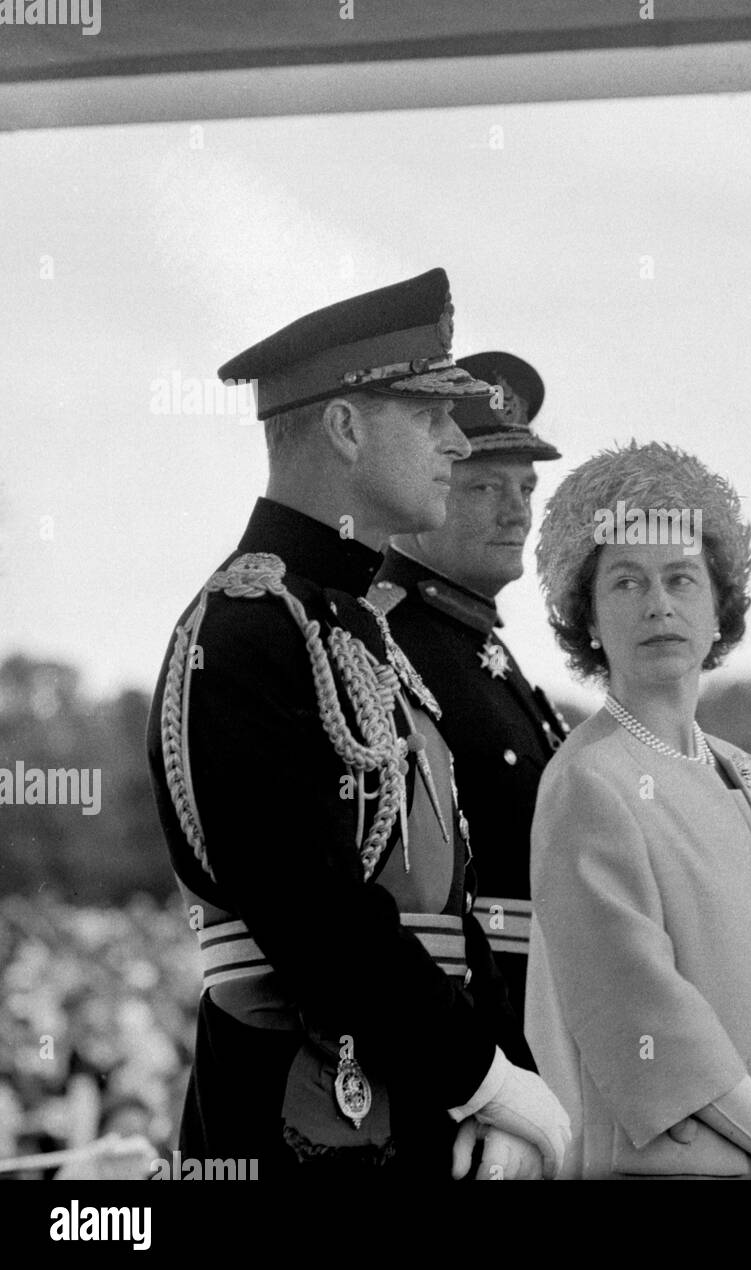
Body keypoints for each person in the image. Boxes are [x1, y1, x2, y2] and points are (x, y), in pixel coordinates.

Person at [144, 268, 570, 1179]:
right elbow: (312, 913)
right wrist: (482, 1075)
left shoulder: (356, 623)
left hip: (410, 1107)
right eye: (429, 417)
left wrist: (502, 1071)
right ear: (344, 427)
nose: (457, 444)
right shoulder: (250, 625)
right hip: (295, 1116)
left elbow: (452, 906)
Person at [524, 440, 751, 1179]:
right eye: (626, 582)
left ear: (720, 609)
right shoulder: (587, 781)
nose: (658, 605)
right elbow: (641, 1017)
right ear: (585, 617)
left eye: (682, 578)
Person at [369, 352, 566, 1017]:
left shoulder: (482, 649)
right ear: (419, 488)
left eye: (526, 490)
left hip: (533, 1027)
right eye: (486, 488)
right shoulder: (380, 643)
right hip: (462, 1042)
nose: (518, 514)